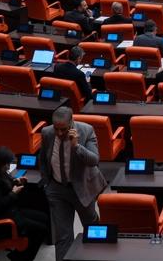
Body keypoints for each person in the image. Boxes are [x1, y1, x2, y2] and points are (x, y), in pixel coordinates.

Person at [39, 107, 106, 261]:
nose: (59, 133)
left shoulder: (86, 130)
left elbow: (94, 160)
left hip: (82, 187)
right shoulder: (47, 133)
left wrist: (76, 146)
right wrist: (47, 184)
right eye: (56, 129)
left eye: (63, 129)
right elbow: (43, 159)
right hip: (57, 189)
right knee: (63, 236)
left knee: (91, 227)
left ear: (71, 122)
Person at [0, 146, 50, 261]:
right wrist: (13, 193)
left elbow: (3, 184)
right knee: (41, 229)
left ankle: (18, 255)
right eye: (7, 164)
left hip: (9, 212)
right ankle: (20, 258)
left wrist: (15, 181)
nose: (9, 167)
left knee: (44, 217)